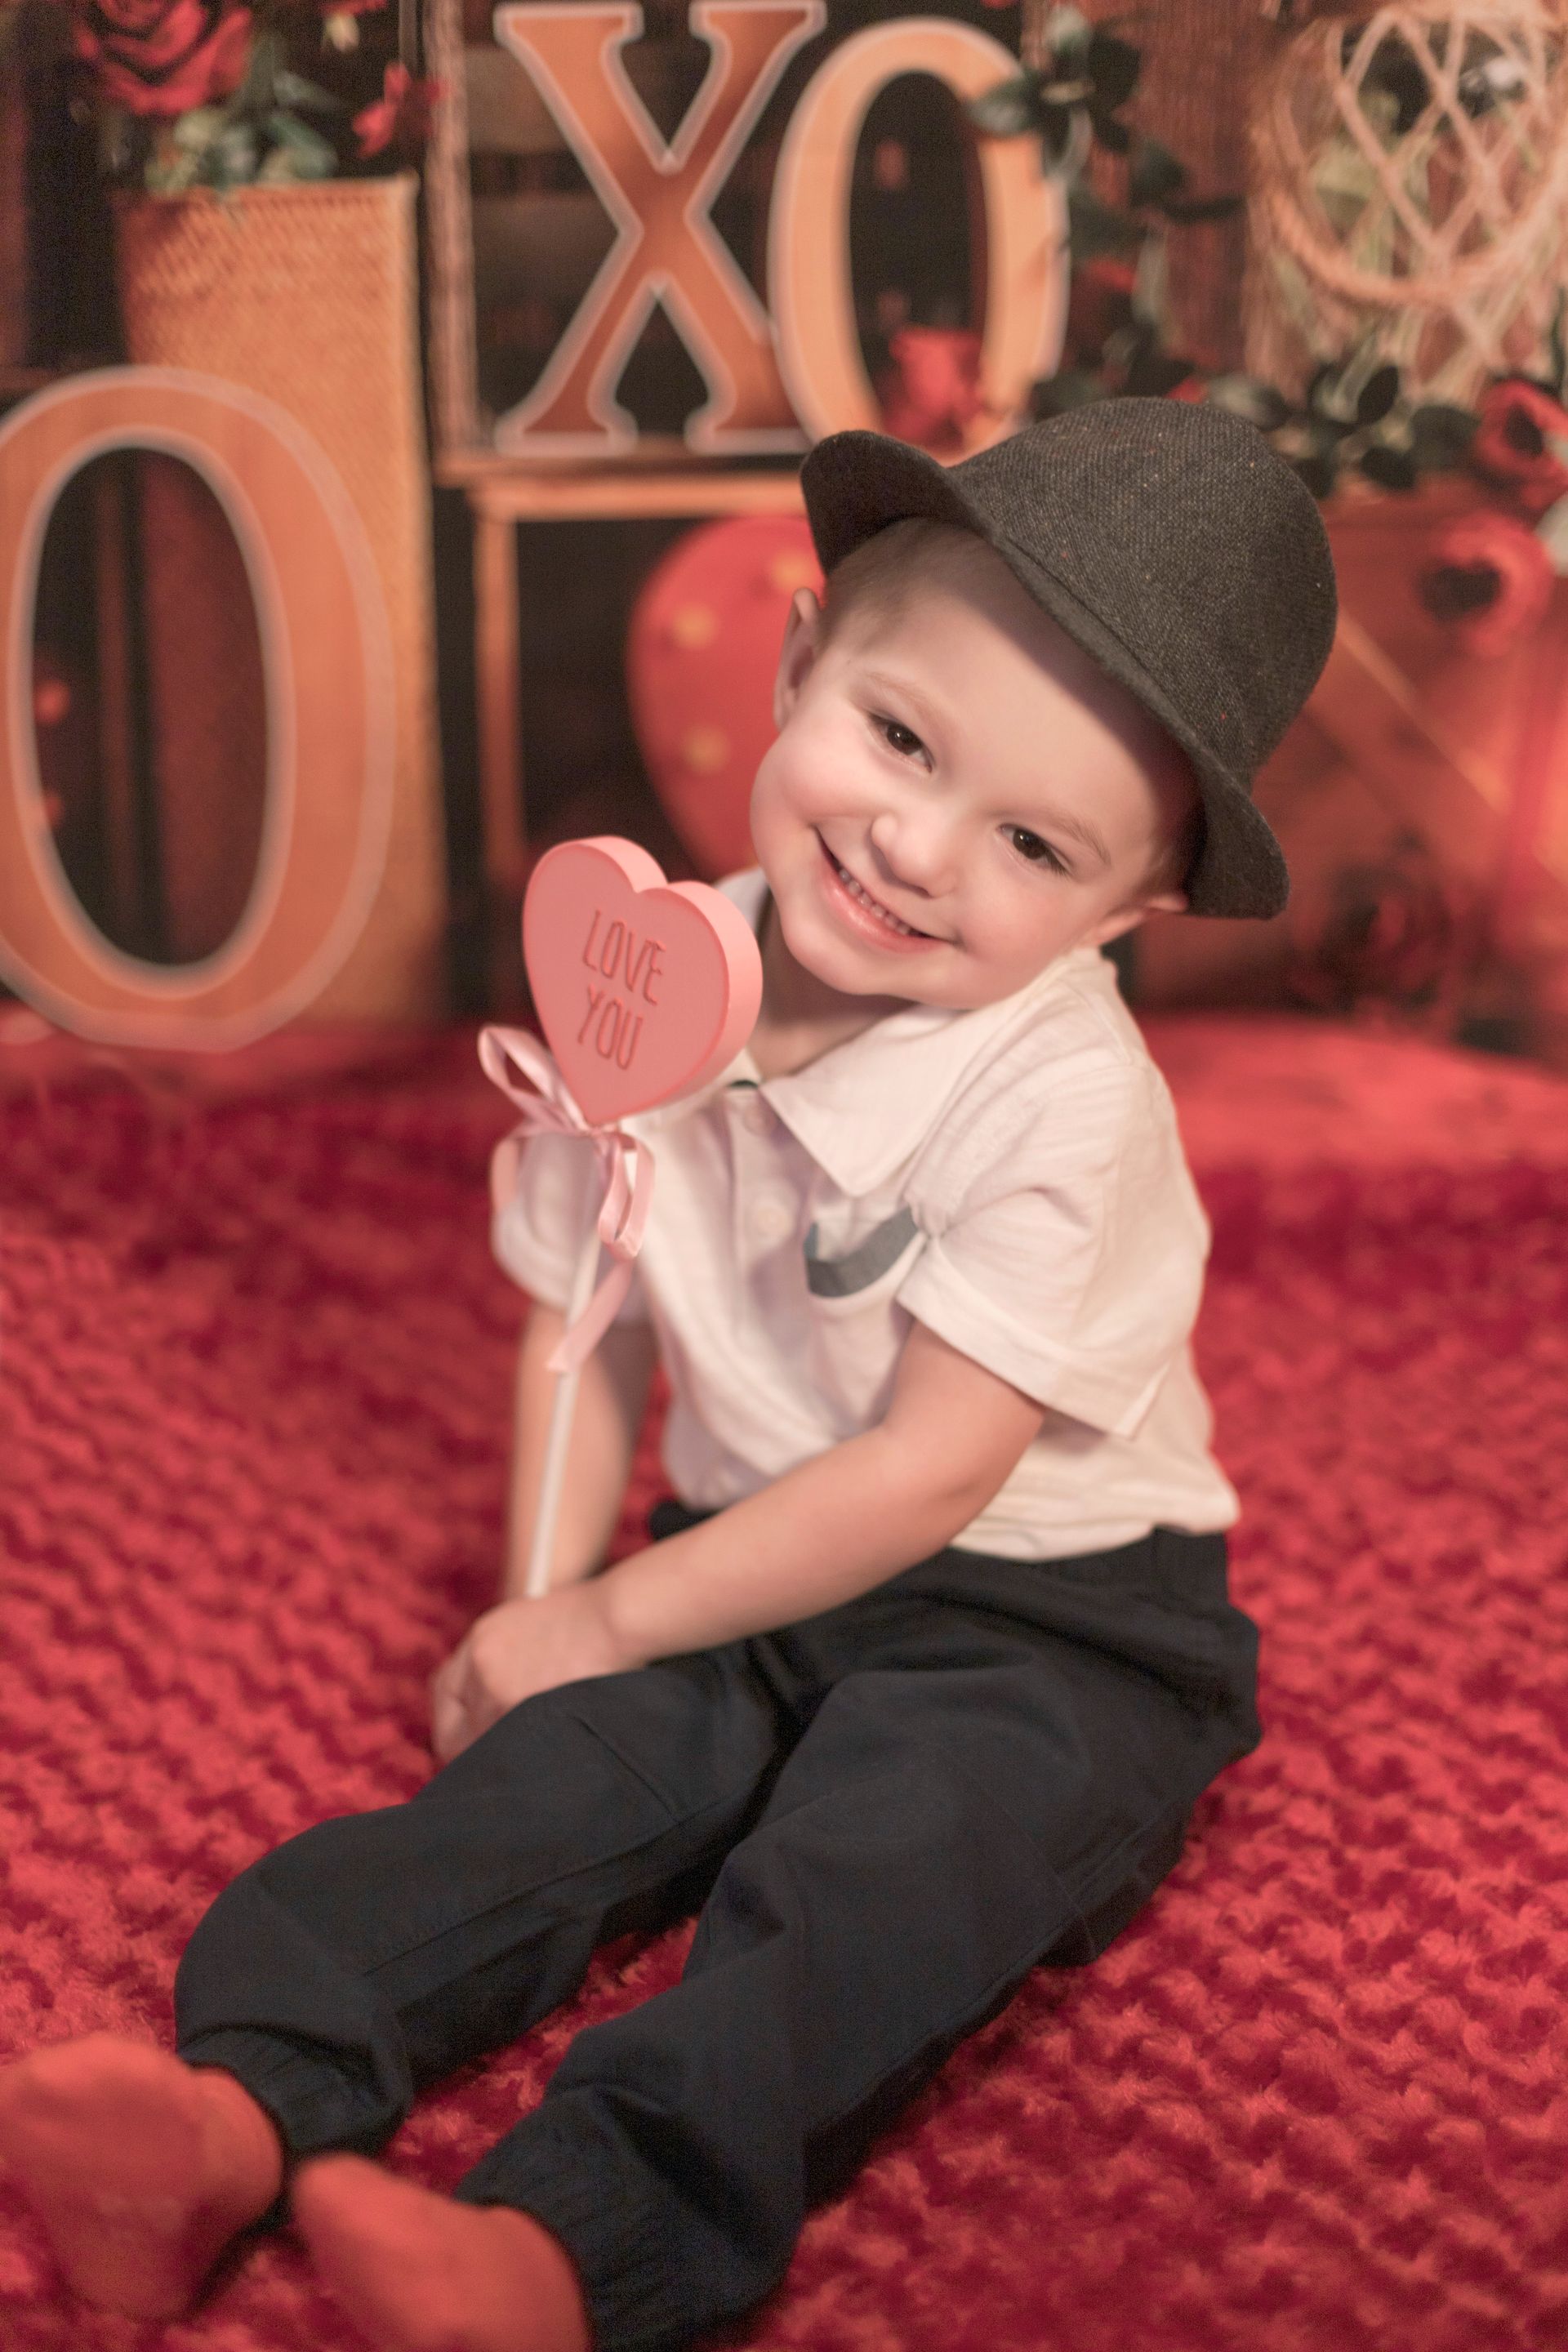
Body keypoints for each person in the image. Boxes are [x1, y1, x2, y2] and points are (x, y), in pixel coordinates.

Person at [0, 400, 1337, 2352]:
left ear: (1124, 915)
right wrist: (543, 1611)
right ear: (798, 664)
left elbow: (929, 1473)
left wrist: (613, 1613)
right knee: (530, 1805)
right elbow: (593, 1309)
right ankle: (231, 2108)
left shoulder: (1062, 1098)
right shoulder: (651, 970)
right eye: (901, 739)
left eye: (1035, 844)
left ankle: (565, 2250)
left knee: (878, 1882)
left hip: (1051, 1620)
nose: (916, 847)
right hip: (740, 1554)